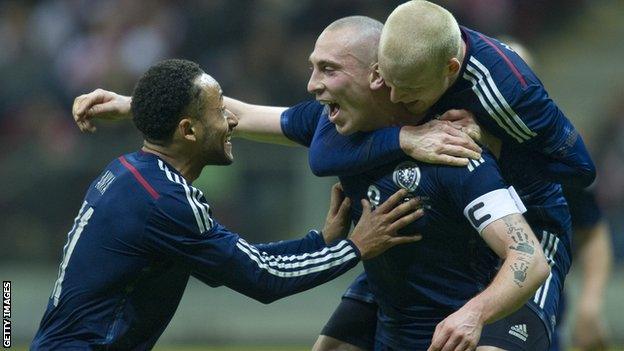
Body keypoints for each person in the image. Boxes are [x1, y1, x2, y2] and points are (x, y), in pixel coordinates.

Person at [71, 17, 554, 350]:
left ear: (378, 77)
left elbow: (529, 258)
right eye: (312, 67)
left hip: (469, 313)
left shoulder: (449, 147)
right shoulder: (330, 124)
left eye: (327, 69)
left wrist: (473, 314)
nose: (310, 84)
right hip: (396, 305)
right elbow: (227, 115)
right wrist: (134, 104)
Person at [31, 59, 425, 350]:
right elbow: (263, 278)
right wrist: (355, 246)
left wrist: (321, 240)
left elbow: (243, 261)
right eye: (220, 111)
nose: (232, 121)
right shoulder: (163, 201)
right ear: (188, 129)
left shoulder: (132, 174)